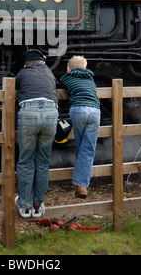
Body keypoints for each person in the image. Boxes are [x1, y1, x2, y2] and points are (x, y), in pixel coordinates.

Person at [15, 49, 58, 218]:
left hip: (29, 113)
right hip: (50, 112)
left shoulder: (22, 72)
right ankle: (38, 204)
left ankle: (25, 206)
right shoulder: (49, 72)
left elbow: (19, 85)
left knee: (26, 160)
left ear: (26, 64)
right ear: (43, 63)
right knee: (43, 161)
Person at [59, 56, 100, 199]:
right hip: (95, 111)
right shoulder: (90, 78)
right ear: (86, 68)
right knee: (88, 149)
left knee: (81, 146)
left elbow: (61, 83)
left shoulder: (67, 77)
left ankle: (81, 185)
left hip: (78, 111)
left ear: (68, 69)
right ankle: (81, 185)